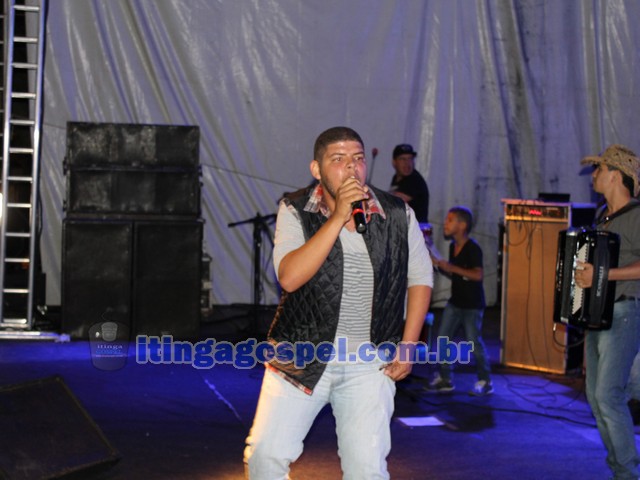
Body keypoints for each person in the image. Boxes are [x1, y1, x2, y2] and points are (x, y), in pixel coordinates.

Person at [244, 126, 433, 479]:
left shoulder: (396, 213)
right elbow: (290, 277)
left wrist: (408, 345)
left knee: (366, 471)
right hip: (300, 353)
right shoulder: (295, 209)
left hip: (369, 361)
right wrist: (337, 218)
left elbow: (420, 277)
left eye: (358, 158)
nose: (351, 167)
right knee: (265, 456)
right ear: (316, 169)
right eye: (339, 159)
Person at [575, 144, 640, 480]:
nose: (594, 175)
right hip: (598, 315)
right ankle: (620, 468)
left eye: (599, 169)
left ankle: (626, 473)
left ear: (616, 176)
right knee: (596, 397)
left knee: (608, 396)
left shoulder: (637, 215)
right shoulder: (603, 216)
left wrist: (602, 275)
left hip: (625, 312)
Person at [428, 206, 493, 396]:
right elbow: (455, 272)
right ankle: (445, 378)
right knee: (443, 339)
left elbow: (477, 275)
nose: (445, 224)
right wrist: (437, 262)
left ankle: (486, 380)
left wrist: (451, 268)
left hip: (472, 305)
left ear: (462, 225)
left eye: (450, 220)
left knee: (474, 342)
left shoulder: (473, 248)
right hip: (455, 302)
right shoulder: (452, 247)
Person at [390, 144, 430, 223]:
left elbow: (394, 201)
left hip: (416, 227)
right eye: (402, 159)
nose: (407, 163)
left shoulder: (414, 180)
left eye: (410, 159)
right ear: (394, 162)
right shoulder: (397, 178)